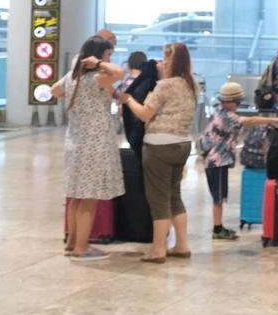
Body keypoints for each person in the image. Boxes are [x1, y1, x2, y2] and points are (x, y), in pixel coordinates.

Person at [118, 42, 197, 264]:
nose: (161, 62)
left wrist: (129, 99)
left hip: (158, 146)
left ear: (173, 61)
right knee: (174, 196)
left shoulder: (165, 86)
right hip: (182, 144)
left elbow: (144, 113)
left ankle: (158, 250)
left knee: (158, 199)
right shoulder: (192, 84)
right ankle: (182, 245)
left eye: (165, 58)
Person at [52, 35, 125, 262]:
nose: (110, 59)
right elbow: (119, 73)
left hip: (75, 141)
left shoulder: (73, 79)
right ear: (98, 55)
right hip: (95, 143)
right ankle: (82, 248)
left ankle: (73, 242)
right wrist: (99, 65)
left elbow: (55, 90)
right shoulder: (97, 78)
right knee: (90, 198)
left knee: (76, 196)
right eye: (108, 55)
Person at [199, 82, 278, 240]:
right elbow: (249, 121)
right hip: (216, 162)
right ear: (230, 102)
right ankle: (217, 229)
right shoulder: (228, 116)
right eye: (237, 102)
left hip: (213, 161)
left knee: (219, 196)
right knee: (218, 197)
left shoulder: (218, 110)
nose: (238, 105)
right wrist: (276, 120)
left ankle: (218, 227)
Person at [119, 51, 160, 163]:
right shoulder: (151, 81)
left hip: (132, 125)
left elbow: (121, 110)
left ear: (129, 65)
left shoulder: (126, 84)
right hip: (147, 125)